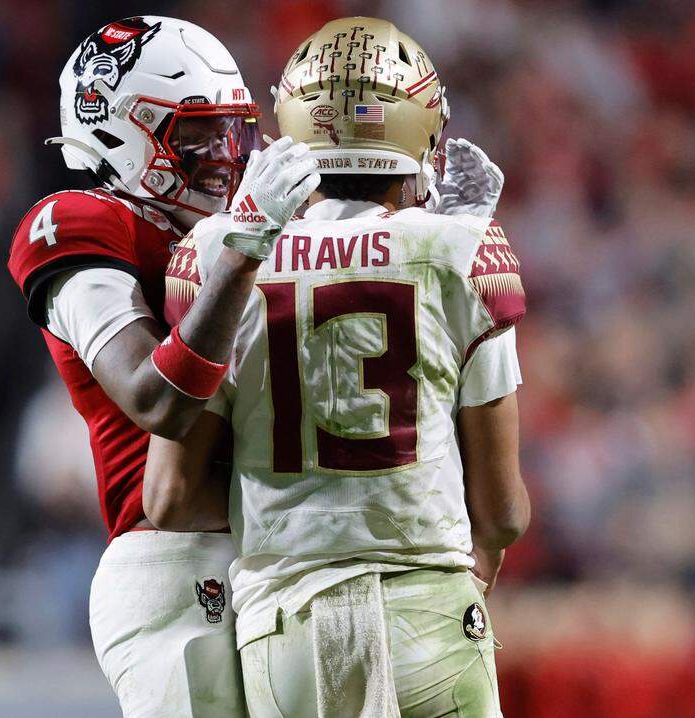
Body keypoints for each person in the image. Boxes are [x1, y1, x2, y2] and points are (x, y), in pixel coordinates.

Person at [146, 16, 528, 717]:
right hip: (428, 619)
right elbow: (501, 512)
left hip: (283, 625)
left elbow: (167, 497)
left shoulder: (214, 255)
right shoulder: (462, 249)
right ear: (421, 133)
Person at [5, 16, 319, 717]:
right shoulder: (81, 222)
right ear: (118, 126)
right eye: (197, 134)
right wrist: (242, 252)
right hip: (175, 562)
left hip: (280, 552)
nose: (223, 155)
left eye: (231, 132)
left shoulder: (238, 224)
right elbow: (155, 398)